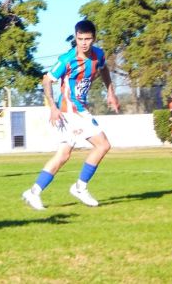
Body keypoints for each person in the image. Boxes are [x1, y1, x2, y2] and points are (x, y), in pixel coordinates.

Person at [22, 20, 119, 210]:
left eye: (88, 39)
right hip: (68, 112)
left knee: (66, 154)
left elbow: (104, 69)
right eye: (80, 38)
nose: (84, 43)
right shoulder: (67, 60)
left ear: (94, 38)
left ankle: (34, 192)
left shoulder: (98, 54)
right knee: (101, 145)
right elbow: (47, 80)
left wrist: (110, 92)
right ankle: (79, 187)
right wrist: (52, 107)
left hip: (79, 110)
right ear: (75, 37)